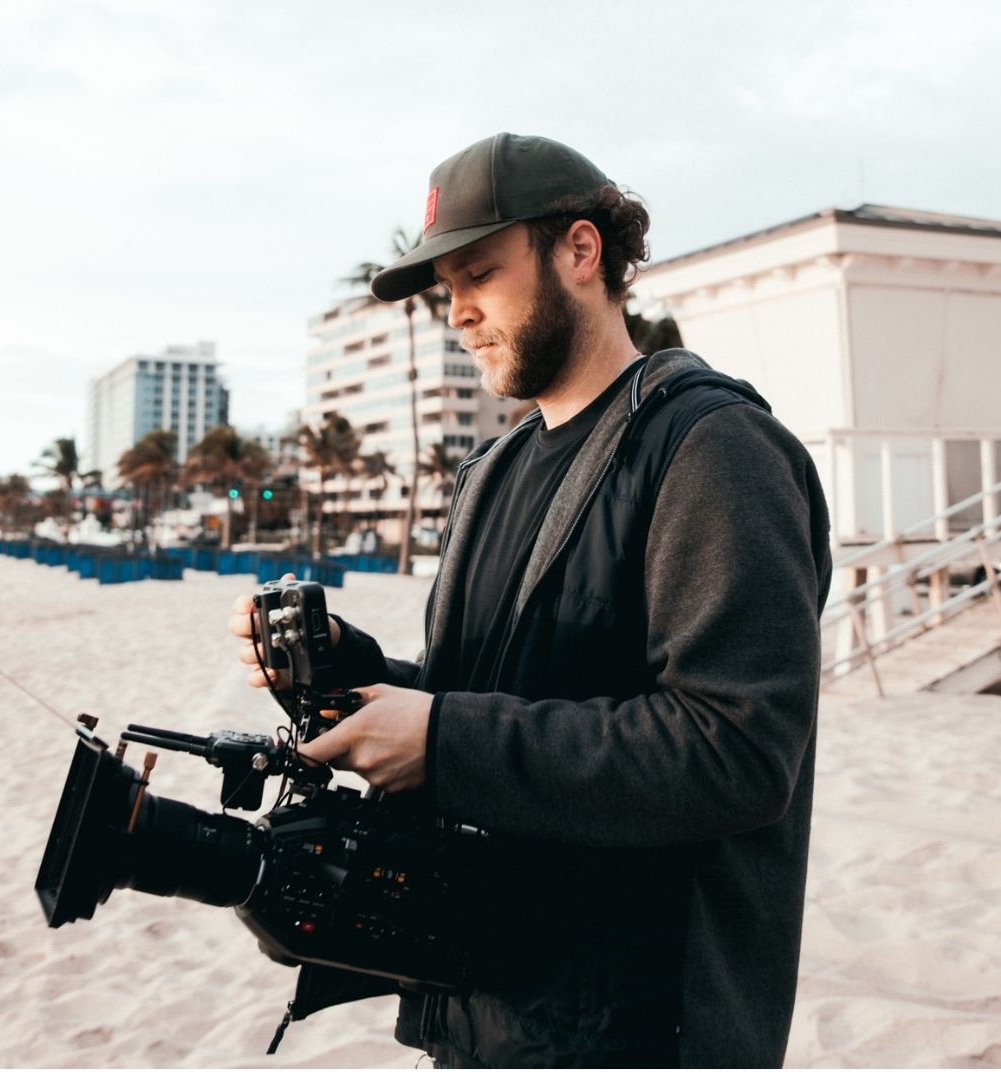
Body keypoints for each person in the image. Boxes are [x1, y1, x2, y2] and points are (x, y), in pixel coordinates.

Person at [229, 133, 829, 1067]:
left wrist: (442, 739)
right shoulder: (492, 473)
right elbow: (504, 690)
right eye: (448, 290)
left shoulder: (712, 450)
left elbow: (739, 753)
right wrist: (366, 678)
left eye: (481, 274)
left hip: (638, 1023)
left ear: (580, 252)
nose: (460, 313)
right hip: (481, 1004)